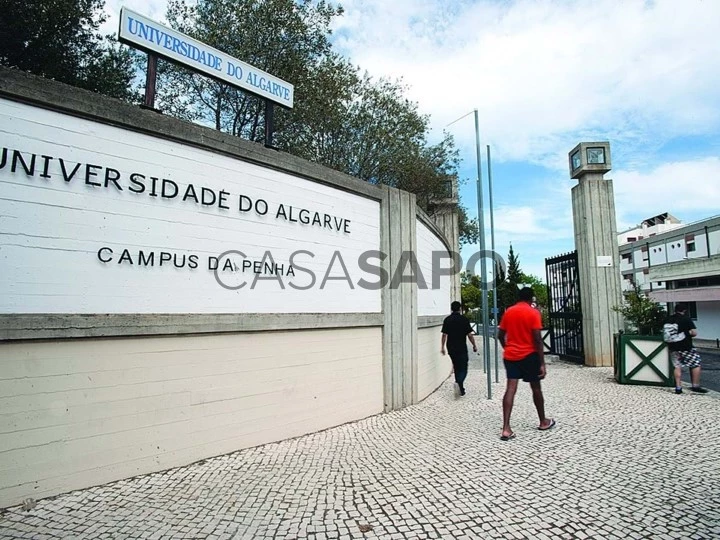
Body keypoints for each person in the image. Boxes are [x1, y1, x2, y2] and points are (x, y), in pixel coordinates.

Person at [497, 287, 555, 440]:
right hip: (529, 355)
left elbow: (500, 335)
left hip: (511, 356)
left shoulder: (509, 311)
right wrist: (542, 362)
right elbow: (537, 339)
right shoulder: (533, 313)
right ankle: (543, 421)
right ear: (531, 299)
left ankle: (506, 428)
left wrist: (508, 347)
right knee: (536, 388)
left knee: (510, 388)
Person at [664, 303, 708, 394]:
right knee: (695, 364)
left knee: (677, 366)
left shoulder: (668, 319)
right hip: (686, 347)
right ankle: (695, 386)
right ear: (684, 310)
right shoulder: (686, 319)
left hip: (673, 347)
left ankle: (678, 387)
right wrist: (687, 332)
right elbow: (694, 333)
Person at [441, 301, 478, 397]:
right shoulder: (464, 320)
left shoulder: (447, 320)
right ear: (460, 309)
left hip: (451, 347)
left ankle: (460, 388)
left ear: (451, 309)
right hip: (461, 346)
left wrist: (442, 347)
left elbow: (444, 335)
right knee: (463, 367)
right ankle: (459, 382)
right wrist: (474, 345)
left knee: (456, 366)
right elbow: (469, 335)